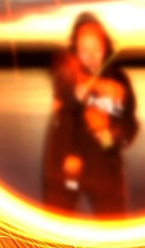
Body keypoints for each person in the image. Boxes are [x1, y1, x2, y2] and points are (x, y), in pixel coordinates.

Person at [42, 11, 139, 215]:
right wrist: (97, 86)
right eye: (84, 49)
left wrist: (109, 132)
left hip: (104, 171)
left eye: (96, 47)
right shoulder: (66, 71)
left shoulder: (120, 79)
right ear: (74, 51)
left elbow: (130, 127)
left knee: (115, 233)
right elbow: (65, 77)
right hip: (65, 169)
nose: (91, 56)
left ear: (106, 46)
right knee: (55, 231)